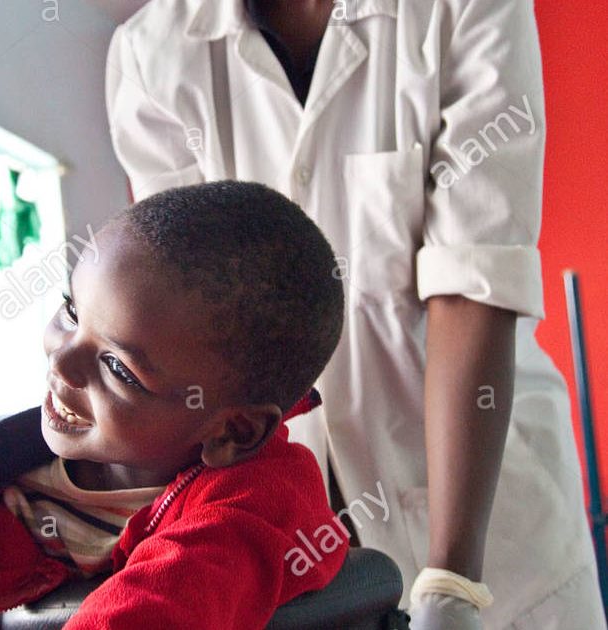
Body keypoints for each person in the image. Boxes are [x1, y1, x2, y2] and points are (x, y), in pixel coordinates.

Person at [104, 1, 606, 628]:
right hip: (304, 550)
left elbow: (470, 287)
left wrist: (452, 581)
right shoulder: (151, 54)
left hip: (490, 524)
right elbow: (185, 319)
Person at [0, 181, 349, 630]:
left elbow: (155, 608)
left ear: (234, 432)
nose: (62, 364)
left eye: (119, 368)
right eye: (72, 312)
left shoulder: (260, 499)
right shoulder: (13, 487)